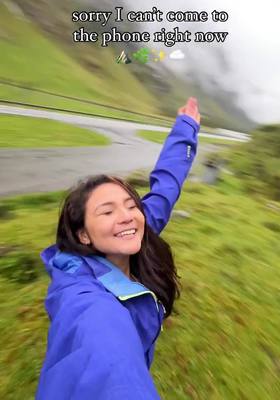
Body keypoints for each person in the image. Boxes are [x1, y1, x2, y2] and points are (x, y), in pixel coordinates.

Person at [36, 98, 201, 399]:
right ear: (83, 234)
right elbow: (106, 365)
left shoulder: (131, 234)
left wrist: (186, 128)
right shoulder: (86, 302)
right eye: (107, 211)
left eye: (130, 205)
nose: (126, 216)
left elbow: (165, 187)